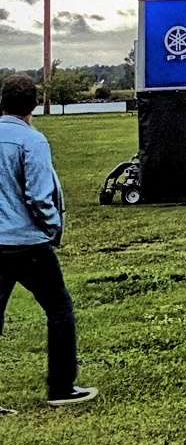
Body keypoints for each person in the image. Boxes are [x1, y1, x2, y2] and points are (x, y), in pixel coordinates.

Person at [0, 73, 95, 409]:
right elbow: (40, 196)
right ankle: (61, 387)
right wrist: (54, 228)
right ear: (35, 104)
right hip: (27, 244)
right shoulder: (32, 141)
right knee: (59, 310)